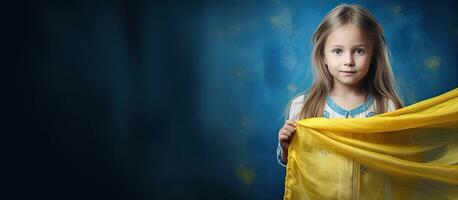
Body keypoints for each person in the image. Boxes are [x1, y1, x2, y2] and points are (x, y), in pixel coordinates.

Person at [276, 3, 404, 199]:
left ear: (373, 56)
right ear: (323, 56)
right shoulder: (304, 107)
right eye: (338, 51)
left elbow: (401, 164)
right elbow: (294, 165)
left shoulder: (387, 107)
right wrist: (286, 147)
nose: (348, 61)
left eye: (358, 51)